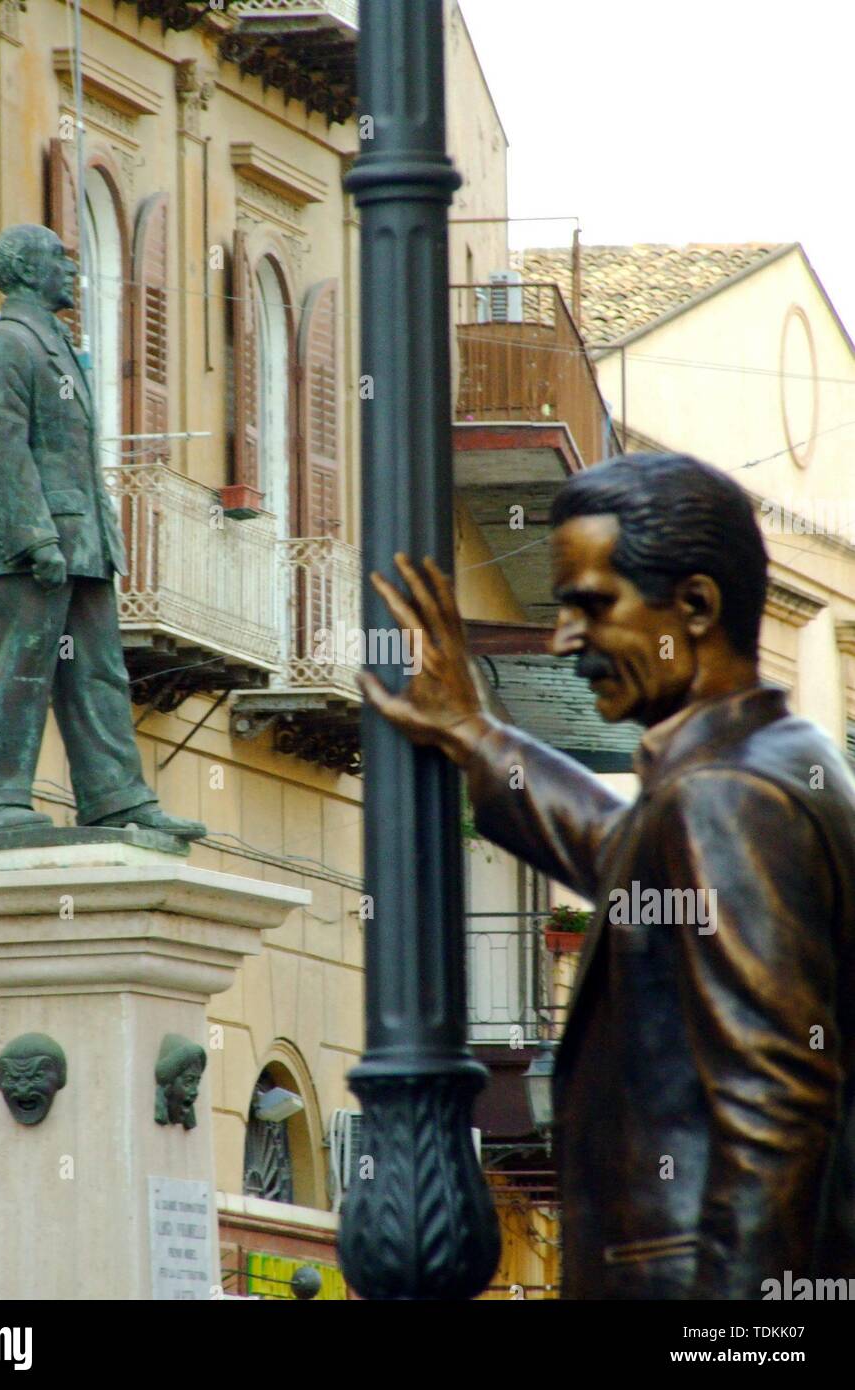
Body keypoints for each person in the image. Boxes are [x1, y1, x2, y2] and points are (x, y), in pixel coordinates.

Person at [361, 452, 855, 1299]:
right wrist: (475, 735)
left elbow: (774, 1113)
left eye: (592, 606)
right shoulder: (779, 762)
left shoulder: (725, 796)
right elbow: (626, 855)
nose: (566, 641)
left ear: (695, 606)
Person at [0, 224, 204, 841]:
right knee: (24, 666)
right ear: (23, 271)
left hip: (85, 540)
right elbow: (2, 447)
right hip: (40, 545)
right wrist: (34, 537)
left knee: (98, 671)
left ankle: (114, 796)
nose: (71, 271)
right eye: (58, 260)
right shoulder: (8, 344)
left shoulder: (57, 344)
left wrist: (92, 537)